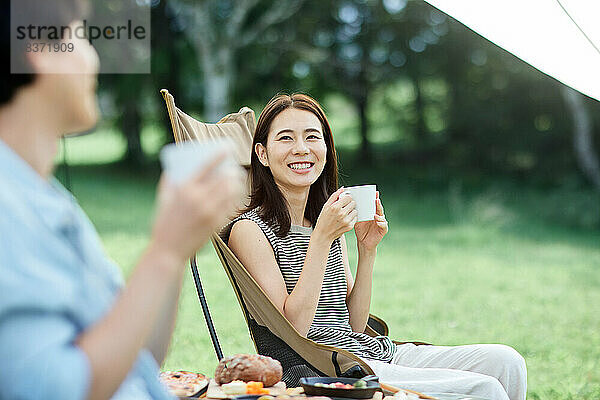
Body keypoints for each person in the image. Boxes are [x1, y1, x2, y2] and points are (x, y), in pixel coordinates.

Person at [0, 1, 242, 399]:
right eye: (80, 34)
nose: (94, 55)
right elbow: (62, 390)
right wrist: (163, 252)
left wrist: (178, 250)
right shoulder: (9, 213)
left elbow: (138, 356)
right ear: (40, 51)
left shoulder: (47, 200)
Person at [226, 93, 527, 400]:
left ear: (326, 150)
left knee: (507, 362)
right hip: (332, 369)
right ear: (262, 153)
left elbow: (354, 324)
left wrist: (367, 251)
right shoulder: (250, 230)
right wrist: (321, 240)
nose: (301, 149)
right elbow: (295, 331)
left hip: (370, 351)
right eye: (286, 138)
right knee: (485, 389)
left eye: (312, 137)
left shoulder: (327, 220)